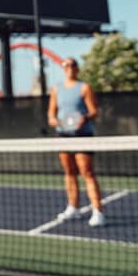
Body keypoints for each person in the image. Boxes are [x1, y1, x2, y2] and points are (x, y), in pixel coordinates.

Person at [47, 57, 106, 227]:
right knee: (69, 172)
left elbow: (94, 110)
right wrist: (55, 121)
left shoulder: (84, 87)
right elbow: (51, 114)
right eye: (66, 66)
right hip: (63, 136)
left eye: (72, 65)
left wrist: (84, 118)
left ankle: (98, 211)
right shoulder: (57, 89)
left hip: (82, 135)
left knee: (87, 172)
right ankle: (73, 207)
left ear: (77, 68)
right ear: (63, 69)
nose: (69, 68)